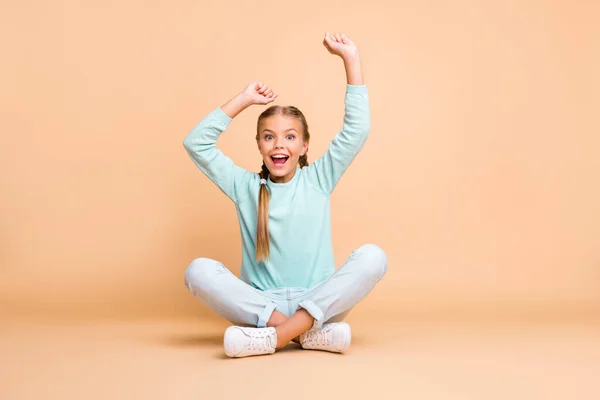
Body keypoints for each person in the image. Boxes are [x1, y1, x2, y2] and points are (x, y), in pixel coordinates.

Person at [182, 32, 388, 358]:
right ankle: (304, 334)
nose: (279, 144)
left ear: (304, 146)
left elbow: (357, 129)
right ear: (260, 146)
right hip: (262, 307)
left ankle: (276, 337)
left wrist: (351, 59)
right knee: (197, 271)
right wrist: (244, 99)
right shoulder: (245, 187)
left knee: (374, 256)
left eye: (290, 137)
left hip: (318, 300)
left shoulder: (319, 179)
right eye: (269, 137)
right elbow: (196, 144)